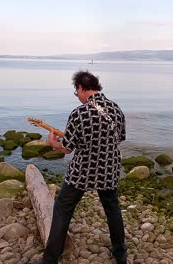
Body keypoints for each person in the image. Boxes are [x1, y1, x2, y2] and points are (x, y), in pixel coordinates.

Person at [27, 71, 127, 264]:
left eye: (76, 92)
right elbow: (120, 138)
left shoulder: (80, 113)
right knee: (112, 210)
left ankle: (49, 260)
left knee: (63, 209)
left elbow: (67, 148)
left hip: (83, 171)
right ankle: (120, 255)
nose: (78, 96)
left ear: (81, 88)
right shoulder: (116, 109)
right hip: (109, 169)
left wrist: (54, 144)